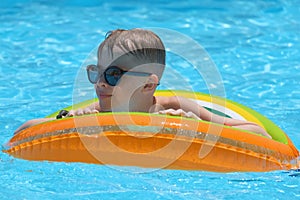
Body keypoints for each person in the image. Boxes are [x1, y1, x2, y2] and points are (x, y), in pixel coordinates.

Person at [15, 28, 271, 138]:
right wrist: (68, 120)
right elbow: (22, 132)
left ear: (149, 85)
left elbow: (259, 133)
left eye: (113, 74)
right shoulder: (95, 112)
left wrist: (196, 125)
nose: (100, 84)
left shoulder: (175, 108)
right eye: (97, 72)